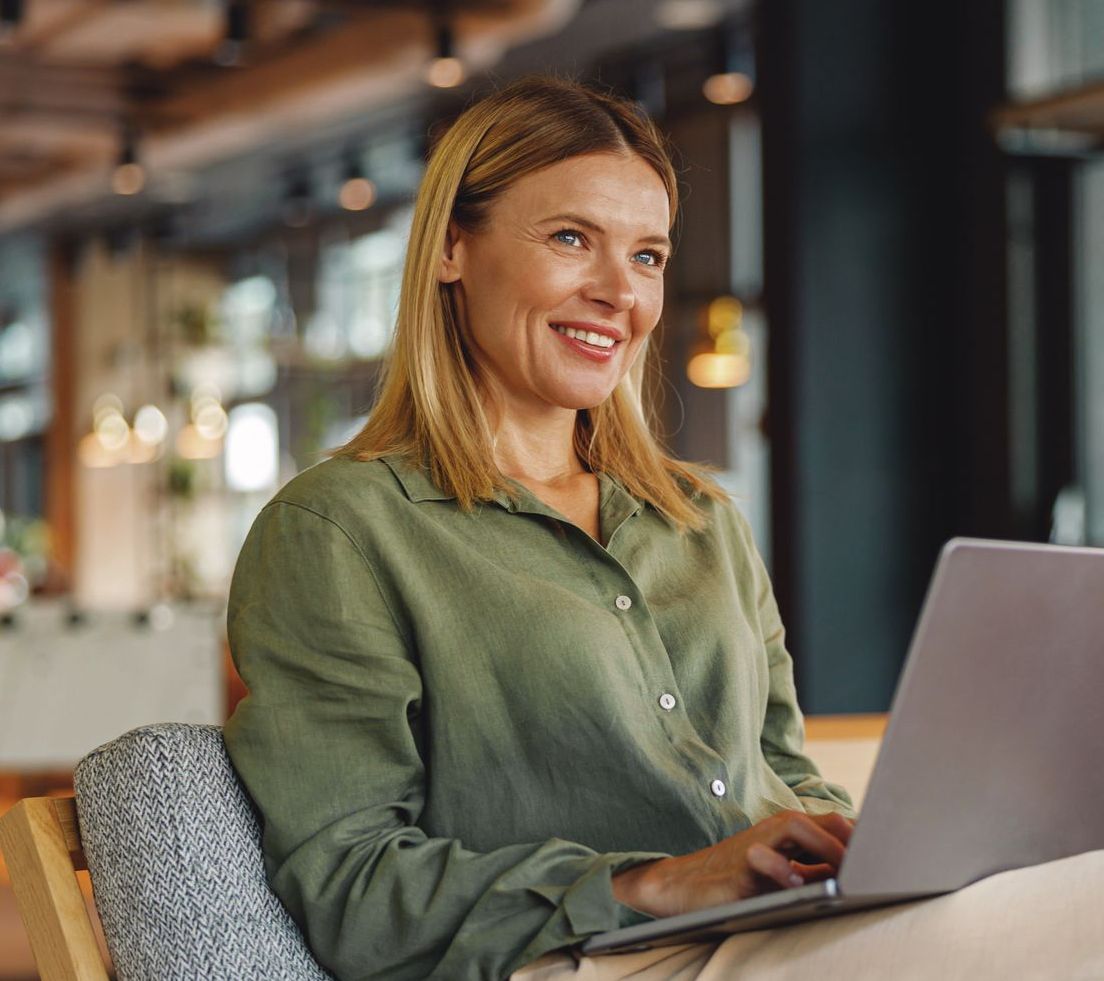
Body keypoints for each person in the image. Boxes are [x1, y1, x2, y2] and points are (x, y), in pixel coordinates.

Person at [223, 75, 855, 981]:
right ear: (451, 248)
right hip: (585, 958)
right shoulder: (340, 531)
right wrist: (655, 883)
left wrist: (847, 848)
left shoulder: (701, 519)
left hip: (778, 938)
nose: (619, 293)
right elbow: (349, 885)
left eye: (647, 256)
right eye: (571, 239)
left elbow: (784, 773)